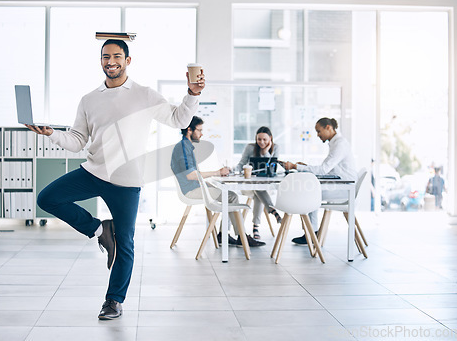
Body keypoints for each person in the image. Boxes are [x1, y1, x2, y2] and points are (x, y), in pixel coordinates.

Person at [25, 39, 205, 320]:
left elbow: (179, 120)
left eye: (117, 56)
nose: (111, 61)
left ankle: (113, 301)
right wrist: (51, 134)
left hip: (126, 180)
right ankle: (99, 230)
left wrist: (192, 94)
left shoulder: (144, 95)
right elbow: (77, 141)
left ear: (128, 60)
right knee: (47, 198)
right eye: (106, 56)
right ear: (100, 61)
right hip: (93, 171)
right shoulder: (89, 99)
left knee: (126, 243)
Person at [171, 116, 266, 247]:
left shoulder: (185, 146)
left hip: (193, 187)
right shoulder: (183, 148)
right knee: (231, 196)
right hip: (190, 190)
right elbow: (191, 176)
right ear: (189, 130)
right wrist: (217, 172)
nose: (201, 133)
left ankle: (224, 235)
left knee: (228, 194)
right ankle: (241, 237)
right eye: (199, 130)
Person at [283, 117, 357, 245]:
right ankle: (311, 232)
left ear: (328, 127)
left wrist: (296, 167)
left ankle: (311, 233)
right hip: (341, 185)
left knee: (310, 193)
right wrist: (304, 167)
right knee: (310, 191)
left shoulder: (340, 144)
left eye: (319, 131)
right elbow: (328, 169)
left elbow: (323, 169)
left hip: (345, 190)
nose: (317, 135)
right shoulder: (335, 143)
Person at [235, 126, 283, 239]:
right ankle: (271, 209)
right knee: (257, 188)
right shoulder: (250, 148)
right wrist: (234, 170)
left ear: (270, 138)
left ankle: (255, 227)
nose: (261, 142)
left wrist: (265, 152)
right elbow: (241, 164)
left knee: (258, 193)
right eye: (259, 139)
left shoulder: (275, 148)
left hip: (265, 188)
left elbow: (272, 167)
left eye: (265, 139)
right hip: (248, 187)